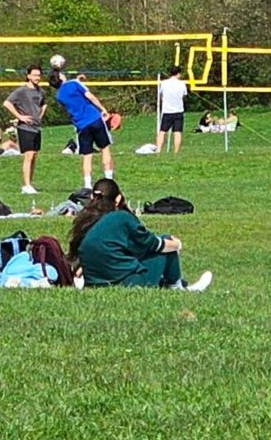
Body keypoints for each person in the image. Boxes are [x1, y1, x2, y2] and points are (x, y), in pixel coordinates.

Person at [67, 179, 212, 292]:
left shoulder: (84, 222)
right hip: (125, 281)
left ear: (92, 197)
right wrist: (176, 245)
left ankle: (177, 284)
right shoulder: (121, 218)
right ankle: (178, 287)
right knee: (167, 241)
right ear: (117, 199)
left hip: (94, 283)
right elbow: (153, 244)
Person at [53, 66, 113, 188]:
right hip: (94, 118)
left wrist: (77, 81)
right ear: (60, 77)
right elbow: (89, 96)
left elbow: (71, 93)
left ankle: (87, 185)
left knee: (87, 155)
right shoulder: (74, 84)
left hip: (81, 125)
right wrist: (103, 109)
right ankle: (109, 179)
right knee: (104, 149)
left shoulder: (59, 95)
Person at [2, 64, 46, 196]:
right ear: (28, 76)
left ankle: (30, 184)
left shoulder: (40, 91)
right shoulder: (21, 91)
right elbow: (7, 103)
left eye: (39, 75)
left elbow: (44, 104)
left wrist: (39, 116)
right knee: (28, 155)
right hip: (25, 127)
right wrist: (20, 116)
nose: (37, 77)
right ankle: (26, 185)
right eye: (34, 75)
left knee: (34, 156)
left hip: (36, 127)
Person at [157, 66, 189, 156]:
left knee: (162, 131)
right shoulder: (182, 84)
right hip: (178, 111)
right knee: (177, 132)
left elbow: (161, 95)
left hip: (167, 111)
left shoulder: (164, 83)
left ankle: (158, 150)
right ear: (178, 73)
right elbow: (184, 95)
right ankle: (176, 152)